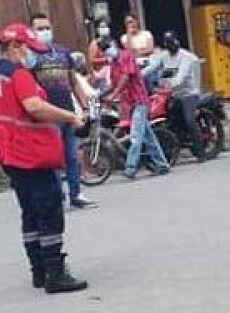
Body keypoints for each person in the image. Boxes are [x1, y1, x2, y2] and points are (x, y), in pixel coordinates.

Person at [0, 24, 88, 294]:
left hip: (11, 153)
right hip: (30, 153)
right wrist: (69, 116)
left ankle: (39, 270)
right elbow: (34, 106)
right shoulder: (18, 75)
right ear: (15, 47)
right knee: (49, 211)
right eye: (30, 49)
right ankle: (55, 273)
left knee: (30, 213)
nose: (33, 55)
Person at [29, 13, 96, 210]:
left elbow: (74, 83)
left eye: (46, 27)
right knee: (53, 159)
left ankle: (76, 194)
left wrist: (84, 107)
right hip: (47, 115)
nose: (44, 32)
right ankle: (56, 196)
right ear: (32, 32)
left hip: (68, 111)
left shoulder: (62, 53)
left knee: (72, 156)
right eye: (39, 29)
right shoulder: (31, 57)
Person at [102, 39, 171, 178]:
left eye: (107, 48)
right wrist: (100, 95)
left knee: (136, 136)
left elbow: (125, 78)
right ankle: (162, 164)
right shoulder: (113, 63)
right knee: (147, 135)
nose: (107, 51)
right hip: (130, 103)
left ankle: (131, 167)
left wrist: (113, 95)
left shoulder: (126, 56)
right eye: (104, 50)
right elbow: (113, 84)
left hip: (139, 100)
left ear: (114, 45)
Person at [145, 31, 206, 159]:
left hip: (188, 94)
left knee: (189, 120)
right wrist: (137, 76)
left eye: (172, 42)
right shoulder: (164, 56)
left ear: (177, 42)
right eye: (168, 44)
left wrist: (170, 86)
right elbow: (151, 68)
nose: (171, 46)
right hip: (171, 94)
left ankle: (200, 151)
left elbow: (181, 77)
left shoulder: (186, 57)